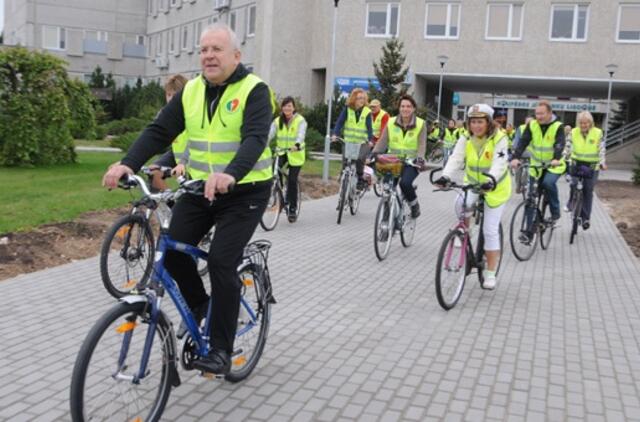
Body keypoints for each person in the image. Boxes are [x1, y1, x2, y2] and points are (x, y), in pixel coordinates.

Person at [102, 23, 273, 375]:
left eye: (217, 49)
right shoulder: (192, 91)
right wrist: (127, 164)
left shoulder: (255, 90)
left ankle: (223, 350)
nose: (208, 55)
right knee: (174, 251)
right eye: (204, 49)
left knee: (223, 262)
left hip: (246, 192)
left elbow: (255, 139)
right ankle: (201, 308)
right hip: (200, 188)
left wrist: (231, 173)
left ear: (236, 56)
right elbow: (159, 130)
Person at [434, 104, 511, 290]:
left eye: (480, 122)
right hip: (473, 183)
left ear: (488, 122)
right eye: (473, 121)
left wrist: (491, 179)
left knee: (490, 230)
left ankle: (490, 272)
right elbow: (456, 157)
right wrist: (446, 176)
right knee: (460, 203)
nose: (476, 126)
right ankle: (465, 232)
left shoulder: (499, 137)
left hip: (495, 187)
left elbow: (499, 162)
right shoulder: (466, 136)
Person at [511, 100, 566, 241]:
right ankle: (528, 233)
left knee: (548, 183)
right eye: (537, 114)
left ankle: (555, 212)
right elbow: (523, 141)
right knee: (531, 199)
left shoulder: (558, 126)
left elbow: (560, 143)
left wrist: (556, 158)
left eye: (542, 114)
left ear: (549, 113)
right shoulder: (532, 125)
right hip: (536, 167)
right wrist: (516, 157)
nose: (539, 116)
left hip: (554, 165)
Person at [371, 94, 427, 218]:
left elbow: (422, 145)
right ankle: (385, 221)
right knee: (387, 189)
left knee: (405, 184)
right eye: (402, 106)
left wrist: (420, 159)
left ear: (413, 109)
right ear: (399, 108)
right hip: (392, 162)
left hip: (411, 162)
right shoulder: (391, 122)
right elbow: (383, 141)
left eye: (408, 106)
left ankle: (414, 205)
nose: (405, 109)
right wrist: (374, 153)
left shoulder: (420, 124)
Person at [564, 111, 606, 230]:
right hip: (577, 163)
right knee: (573, 183)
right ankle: (571, 203)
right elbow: (567, 147)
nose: (583, 125)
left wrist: (602, 162)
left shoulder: (598, 133)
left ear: (590, 123)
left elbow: (601, 149)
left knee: (588, 190)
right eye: (581, 123)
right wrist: (563, 159)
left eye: (586, 123)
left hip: (592, 165)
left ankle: (585, 218)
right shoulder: (573, 132)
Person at [147, 74, 190, 191]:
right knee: (152, 171)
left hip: (193, 154)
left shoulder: (193, 112)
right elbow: (154, 137)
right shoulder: (164, 113)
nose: (171, 99)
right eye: (168, 94)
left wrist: (182, 162)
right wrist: (128, 162)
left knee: (190, 191)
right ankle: (167, 205)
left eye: (175, 95)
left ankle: (177, 207)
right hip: (176, 153)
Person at [268, 97, 307, 221]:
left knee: (292, 180)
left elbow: (301, 135)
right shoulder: (277, 121)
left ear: (294, 107)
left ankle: (292, 209)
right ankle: (279, 197)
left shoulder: (300, 121)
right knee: (275, 172)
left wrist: (296, 145)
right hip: (281, 152)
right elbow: (270, 134)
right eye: (285, 106)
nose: (287, 108)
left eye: (289, 106)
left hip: (296, 154)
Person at [332, 88, 374, 189]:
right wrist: (335, 134)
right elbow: (339, 122)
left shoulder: (367, 111)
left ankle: (360, 178)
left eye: (363, 98)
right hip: (349, 142)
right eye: (359, 98)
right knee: (346, 161)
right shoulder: (347, 109)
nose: (362, 100)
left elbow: (369, 128)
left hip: (362, 142)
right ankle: (343, 179)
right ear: (353, 99)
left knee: (359, 158)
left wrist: (370, 140)